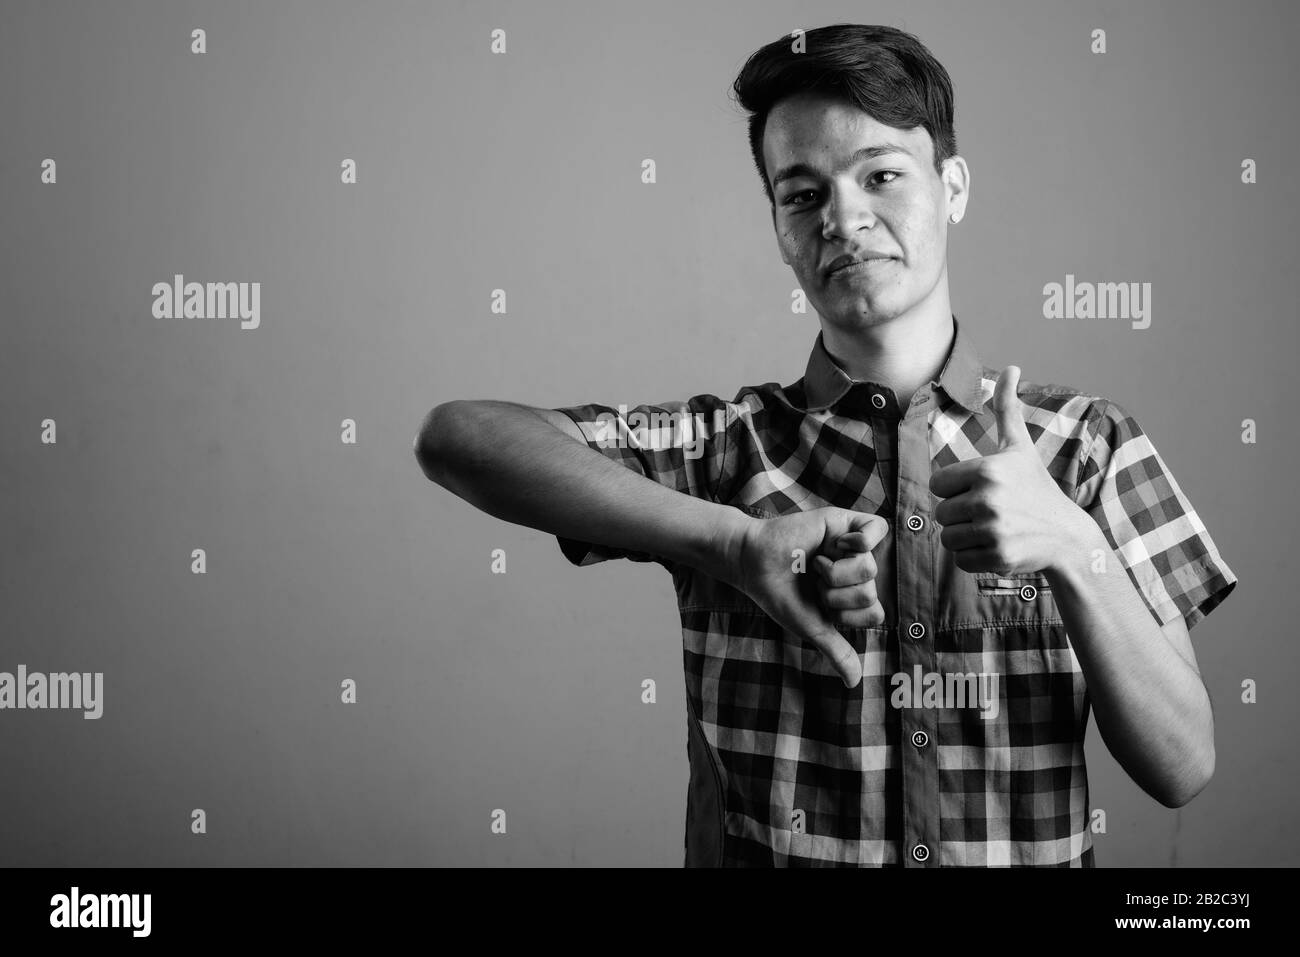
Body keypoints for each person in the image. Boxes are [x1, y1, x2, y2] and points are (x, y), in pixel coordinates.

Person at [414, 23, 1237, 866]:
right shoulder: (725, 448)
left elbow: (1183, 764)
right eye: (802, 194)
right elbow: (458, 437)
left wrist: (1070, 543)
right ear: (777, 224)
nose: (844, 217)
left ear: (953, 187)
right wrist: (734, 544)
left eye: (881, 174)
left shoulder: (1087, 444)